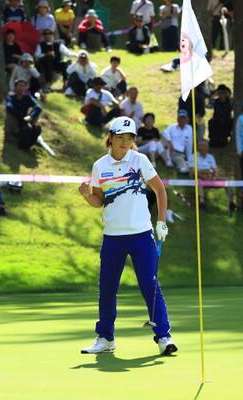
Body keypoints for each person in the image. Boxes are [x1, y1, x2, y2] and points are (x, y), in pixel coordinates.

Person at [78, 116, 177, 356]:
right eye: (120, 137)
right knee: (107, 288)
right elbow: (99, 201)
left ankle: (164, 337)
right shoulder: (100, 166)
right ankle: (105, 338)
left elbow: (159, 190)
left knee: (150, 285)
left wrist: (161, 221)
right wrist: (86, 195)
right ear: (110, 137)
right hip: (113, 237)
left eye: (129, 138)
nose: (125, 142)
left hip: (141, 234)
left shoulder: (140, 160)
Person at [188, 140, 235, 212]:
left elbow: (214, 170)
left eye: (206, 146)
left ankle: (231, 202)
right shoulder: (192, 156)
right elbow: (193, 171)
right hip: (199, 176)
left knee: (228, 180)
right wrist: (204, 175)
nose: (205, 148)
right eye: (202, 146)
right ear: (198, 147)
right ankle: (201, 203)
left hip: (210, 176)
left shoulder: (210, 157)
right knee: (199, 181)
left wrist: (213, 176)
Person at [5, 79, 43, 150]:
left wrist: (31, 116)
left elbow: (38, 107)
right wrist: (22, 117)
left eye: (23, 86)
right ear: (15, 87)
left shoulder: (27, 97)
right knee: (10, 112)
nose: (21, 88)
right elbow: (9, 106)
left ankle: (31, 137)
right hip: (15, 121)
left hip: (24, 121)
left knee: (37, 122)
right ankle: (10, 134)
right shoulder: (11, 97)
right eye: (20, 85)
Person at [162, 109, 193, 174]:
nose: (181, 120)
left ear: (187, 119)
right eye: (180, 118)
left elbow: (189, 144)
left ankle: (184, 169)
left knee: (183, 165)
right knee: (162, 141)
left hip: (180, 154)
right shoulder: (172, 127)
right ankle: (169, 161)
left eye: (183, 118)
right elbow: (164, 132)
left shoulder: (189, 128)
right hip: (170, 151)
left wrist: (189, 159)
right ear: (177, 118)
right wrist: (170, 142)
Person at [207, 83, 233, 148]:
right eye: (220, 93)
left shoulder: (229, 101)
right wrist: (214, 94)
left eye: (224, 93)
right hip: (217, 121)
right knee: (211, 122)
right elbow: (209, 104)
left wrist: (229, 96)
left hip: (227, 121)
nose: (222, 95)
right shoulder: (216, 101)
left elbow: (233, 104)